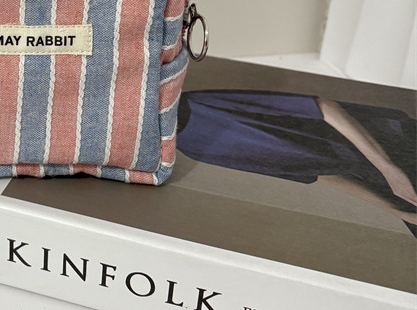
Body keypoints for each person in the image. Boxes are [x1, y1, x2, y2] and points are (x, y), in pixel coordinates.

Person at [176, 90, 417, 234]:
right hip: (382, 178)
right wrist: (397, 211)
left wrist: (388, 168)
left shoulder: (194, 103)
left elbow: (326, 108)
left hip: (390, 142)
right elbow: (321, 174)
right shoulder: (191, 149)